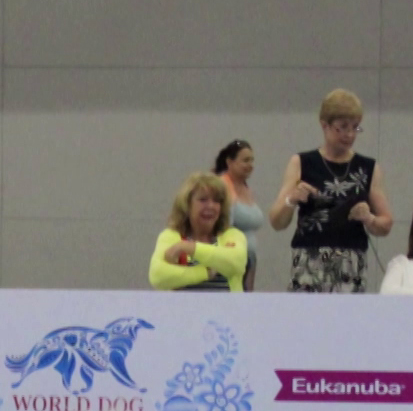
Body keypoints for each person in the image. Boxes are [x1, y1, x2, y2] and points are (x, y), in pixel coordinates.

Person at [268, 89, 394, 294]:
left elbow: (386, 223)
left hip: (351, 264)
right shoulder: (301, 163)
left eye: (355, 128)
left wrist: (369, 218)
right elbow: (276, 221)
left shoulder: (368, 168)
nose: (350, 135)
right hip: (309, 262)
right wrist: (292, 200)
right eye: (342, 128)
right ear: (324, 125)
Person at [149, 172, 250, 292]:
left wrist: (190, 248)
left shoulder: (232, 235)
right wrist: (205, 273)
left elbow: (236, 264)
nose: (211, 206)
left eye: (217, 201)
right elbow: (158, 276)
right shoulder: (171, 236)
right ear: (187, 204)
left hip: (227, 310)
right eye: (203, 200)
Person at [214, 140, 266, 291]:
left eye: (252, 160)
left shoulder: (246, 188)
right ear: (230, 162)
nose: (250, 165)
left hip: (249, 260)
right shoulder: (222, 186)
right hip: (230, 259)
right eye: (245, 160)